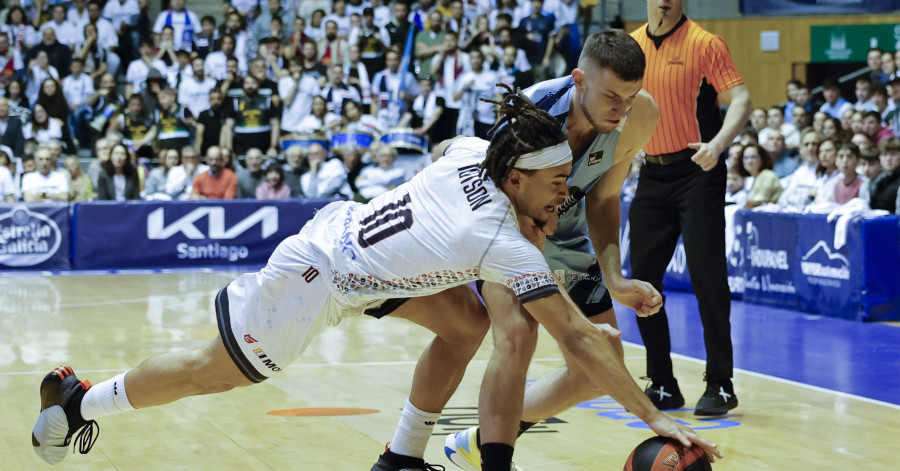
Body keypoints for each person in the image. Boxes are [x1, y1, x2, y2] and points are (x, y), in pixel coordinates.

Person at [31, 90, 721, 470]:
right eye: (552, 185)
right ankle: (81, 401)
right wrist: (655, 415)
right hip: (317, 275)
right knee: (211, 371)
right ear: (513, 178)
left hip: (360, 249)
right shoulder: (499, 241)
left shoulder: (473, 153)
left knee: (465, 322)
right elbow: (577, 338)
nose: (563, 196)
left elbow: (448, 154)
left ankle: (401, 456)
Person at [439, 29, 664, 469]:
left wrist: (614, 277)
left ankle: (485, 438)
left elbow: (603, 198)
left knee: (603, 368)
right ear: (579, 80)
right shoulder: (531, 116)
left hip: (569, 231)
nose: (622, 110)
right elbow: (500, 205)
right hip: (508, 229)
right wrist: (563, 310)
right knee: (518, 336)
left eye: (630, 96)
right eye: (611, 97)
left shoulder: (641, 115)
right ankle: (493, 460)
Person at [625, 0, 751, 416]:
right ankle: (662, 382)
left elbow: (741, 99)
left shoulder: (704, 43)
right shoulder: (631, 46)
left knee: (707, 277)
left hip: (699, 170)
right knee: (641, 283)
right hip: (652, 173)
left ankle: (721, 382)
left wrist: (718, 145)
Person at [740, 143, 782, 208]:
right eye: (746, 157)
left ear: (762, 159)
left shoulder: (767, 175)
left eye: (753, 157)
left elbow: (758, 202)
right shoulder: (753, 179)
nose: (749, 161)